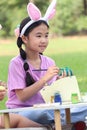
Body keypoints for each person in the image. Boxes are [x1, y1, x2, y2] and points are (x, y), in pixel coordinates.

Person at [6, 0, 87, 126]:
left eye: (46, 35)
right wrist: (44, 79)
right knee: (43, 113)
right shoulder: (16, 63)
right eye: (38, 36)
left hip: (47, 107)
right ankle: (64, 123)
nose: (44, 40)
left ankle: (61, 122)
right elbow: (21, 97)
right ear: (25, 38)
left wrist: (60, 81)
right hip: (24, 111)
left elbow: (52, 94)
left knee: (83, 105)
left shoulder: (49, 62)